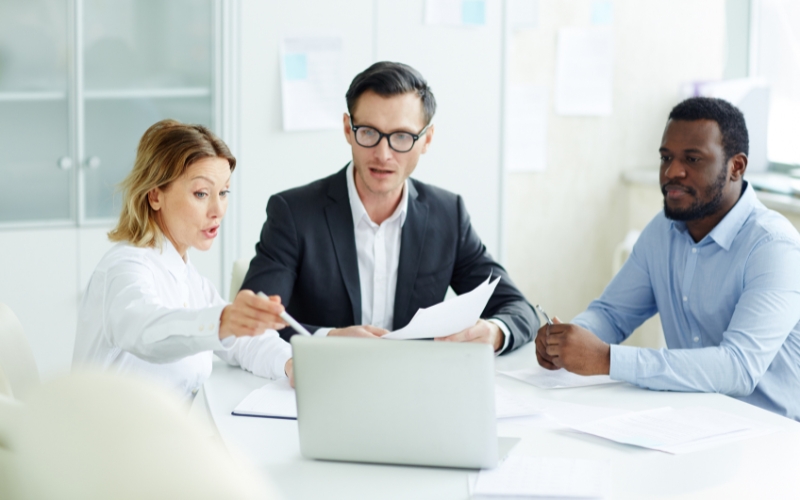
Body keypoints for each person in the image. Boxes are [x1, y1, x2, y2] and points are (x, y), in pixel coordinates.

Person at [242, 62, 538, 354]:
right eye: (369, 133)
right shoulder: (293, 213)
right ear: (348, 128)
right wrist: (328, 338)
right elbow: (251, 322)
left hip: (415, 388)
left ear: (427, 140)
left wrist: (495, 332)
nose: (383, 155)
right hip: (323, 382)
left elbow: (519, 309)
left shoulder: (448, 216)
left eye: (401, 137)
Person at [536, 97, 800, 420]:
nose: (672, 172)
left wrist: (606, 359)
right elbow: (612, 315)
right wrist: (565, 340)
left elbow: (738, 368)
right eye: (666, 157)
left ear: (736, 167)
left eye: (692, 158)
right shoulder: (663, 232)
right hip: (689, 423)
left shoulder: (775, 248)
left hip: (772, 440)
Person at [73, 119, 294, 399]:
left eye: (223, 192)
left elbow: (242, 343)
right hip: (117, 437)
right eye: (201, 193)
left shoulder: (188, 277)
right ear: (155, 195)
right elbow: (145, 329)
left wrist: (291, 362)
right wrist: (223, 320)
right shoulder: (125, 267)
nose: (217, 210)